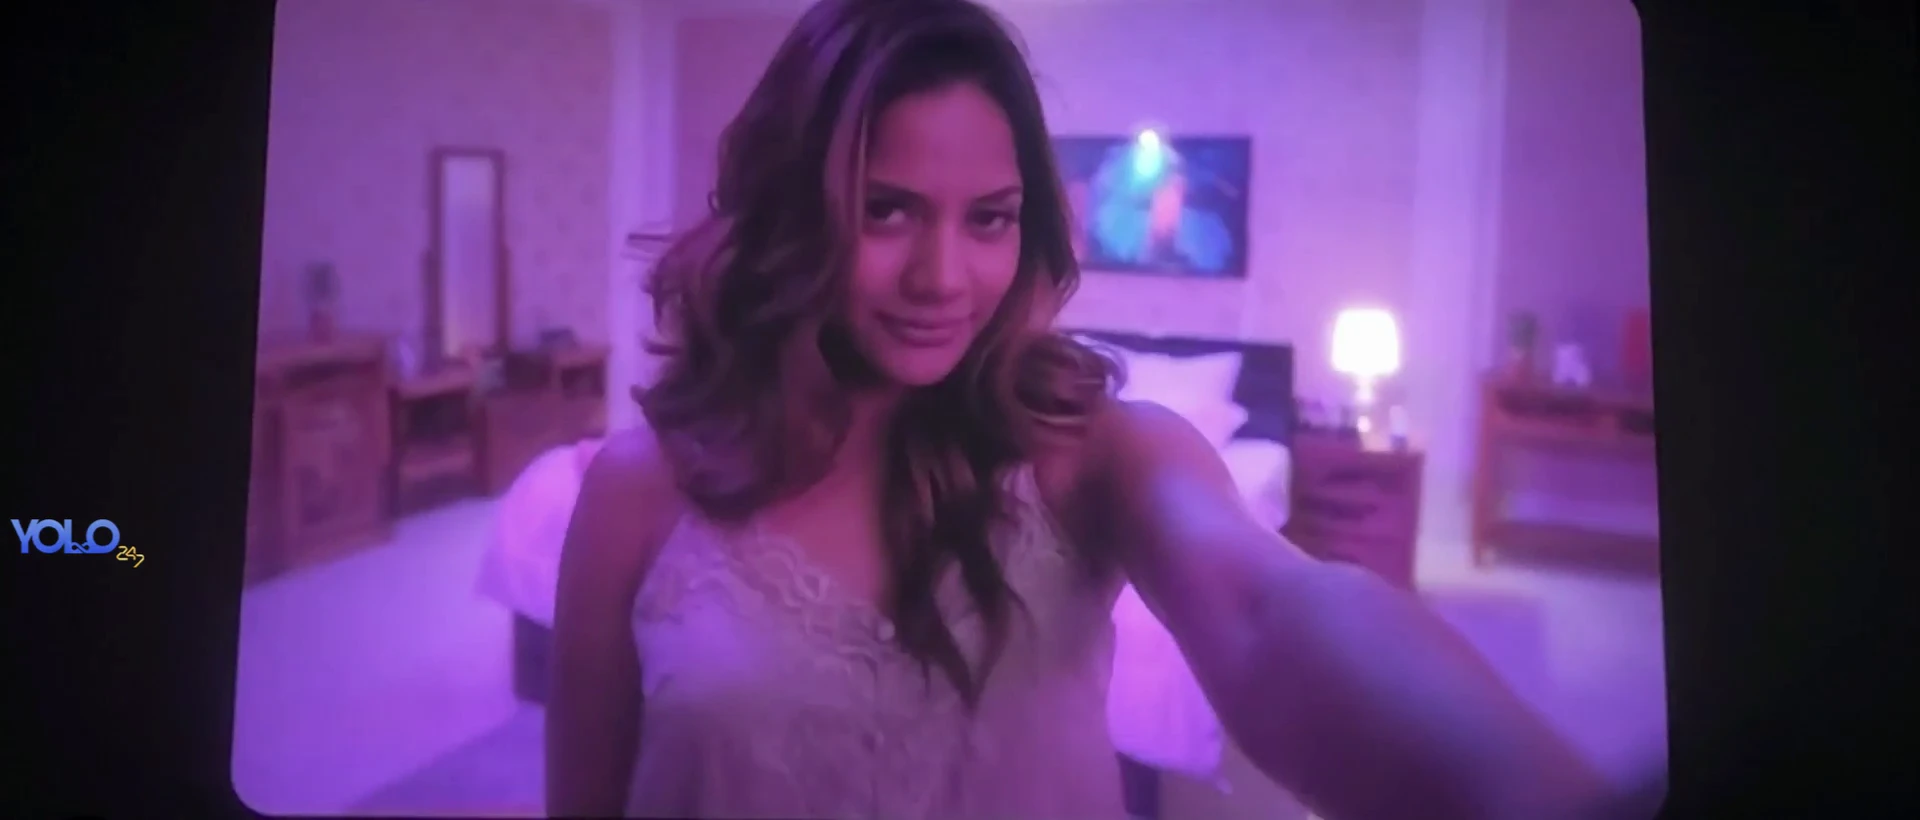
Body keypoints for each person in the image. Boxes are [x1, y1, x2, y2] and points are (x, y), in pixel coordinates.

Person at [547, 0, 1615, 818]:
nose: (943, 278)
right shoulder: (637, 491)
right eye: (888, 210)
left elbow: (1272, 613)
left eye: (990, 218)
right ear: (795, 212)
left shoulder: (1096, 454)